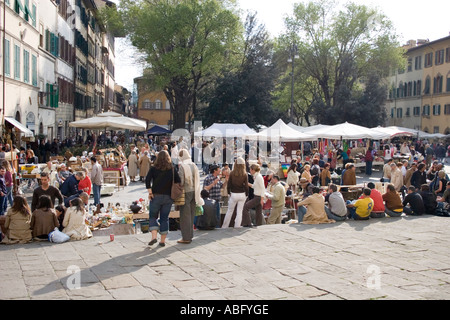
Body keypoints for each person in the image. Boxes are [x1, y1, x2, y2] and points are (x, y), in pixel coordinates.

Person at [146, 150, 181, 247]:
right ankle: (162, 241)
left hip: (156, 196)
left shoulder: (153, 169)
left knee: (153, 216)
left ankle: (153, 237)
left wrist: (150, 192)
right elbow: (178, 181)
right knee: (164, 218)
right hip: (168, 197)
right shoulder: (172, 169)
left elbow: (147, 180)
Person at [177, 149, 203, 244]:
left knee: (185, 215)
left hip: (186, 192)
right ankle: (190, 235)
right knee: (191, 214)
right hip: (194, 191)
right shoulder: (193, 165)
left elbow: (181, 181)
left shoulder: (182, 167)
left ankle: (186, 237)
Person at [222, 157, 249, 228]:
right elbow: (246, 186)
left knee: (229, 211)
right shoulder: (244, 174)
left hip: (233, 194)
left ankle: (224, 226)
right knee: (239, 212)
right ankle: (237, 226)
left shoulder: (232, 173)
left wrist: (229, 193)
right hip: (242, 194)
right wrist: (247, 194)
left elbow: (229, 184)